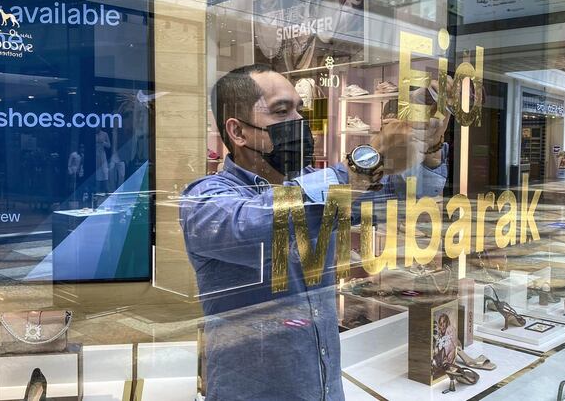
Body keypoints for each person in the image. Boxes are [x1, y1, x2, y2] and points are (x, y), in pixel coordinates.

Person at [180, 64, 450, 400]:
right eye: (282, 110)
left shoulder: (318, 184)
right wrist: (369, 161)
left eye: (299, 109)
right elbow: (259, 222)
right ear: (238, 132)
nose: (299, 122)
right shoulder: (206, 198)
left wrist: (430, 151)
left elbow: (404, 196)